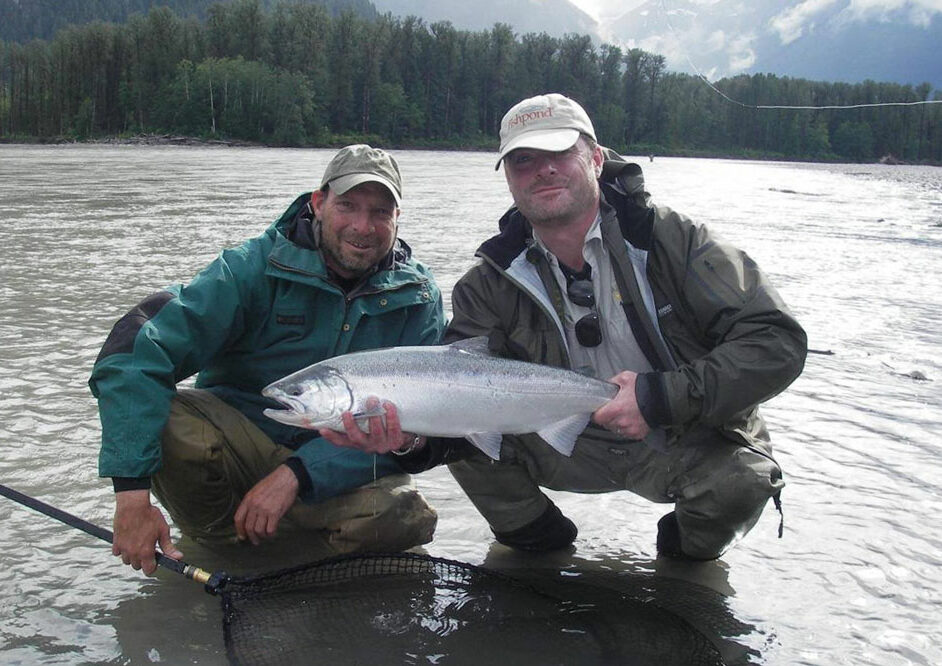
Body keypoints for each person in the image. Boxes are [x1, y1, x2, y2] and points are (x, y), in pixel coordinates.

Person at [327, 94, 807, 561]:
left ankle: (681, 559)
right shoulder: (487, 282)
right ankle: (541, 554)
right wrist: (410, 442)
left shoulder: (676, 242)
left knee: (742, 479)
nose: (543, 169)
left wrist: (659, 397)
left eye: (560, 152)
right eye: (524, 160)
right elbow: (455, 402)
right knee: (471, 448)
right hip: (560, 439)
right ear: (509, 179)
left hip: (680, 428)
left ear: (596, 159)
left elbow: (777, 342)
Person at [89, 144, 445, 575]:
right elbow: (135, 349)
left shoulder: (419, 297)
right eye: (347, 205)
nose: (363, 226)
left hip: (335, 465)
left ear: (397, 218)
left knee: (403, 517)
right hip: (240, 442)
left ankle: (303, 553)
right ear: (318, 203)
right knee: (169, 419)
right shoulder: (250, 267)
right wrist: (131, 495)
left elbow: (417, 433)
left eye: (380, 212)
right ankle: (226, 547)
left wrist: (296, 474)